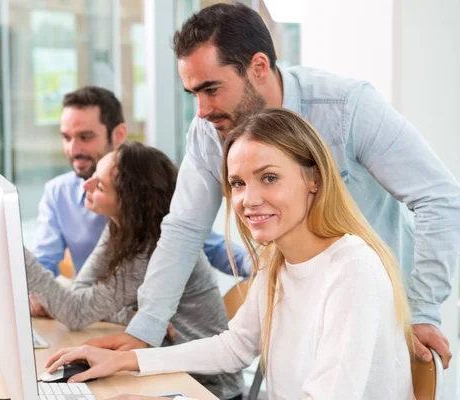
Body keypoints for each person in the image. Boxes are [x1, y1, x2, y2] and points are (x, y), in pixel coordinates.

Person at [89, 3, 460, 368]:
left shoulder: (345, 107)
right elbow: (184, 229)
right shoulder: (208, 130)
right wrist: (145, 332)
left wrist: (423, 310)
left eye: (212, 89)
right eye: (193, 94)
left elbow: (439, 198)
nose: (201, 110)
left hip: (383, 315)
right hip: (299, 316)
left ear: (259, 67)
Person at [44, 109, 415, 400]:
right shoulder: (277, 262)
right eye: (238, 183)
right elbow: (235, 346)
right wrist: (124, 360)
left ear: (313, 179)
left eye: (269, 177)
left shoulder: (352, 270)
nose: (248, 200)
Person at [25, 142, 243, 400]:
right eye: (94, 175)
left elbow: (75, 312)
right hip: (164, 367)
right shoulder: (120, 228)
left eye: (100, 185)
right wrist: (128, 313)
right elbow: (82, 291)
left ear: (129, 204)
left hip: (203, 387)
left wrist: (20, 257)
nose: (86, 185)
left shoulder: (150, 251)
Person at [32, 86, 250, 277]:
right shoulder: (57, 193)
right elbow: (43, 263)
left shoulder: (151, 185)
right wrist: (35, 296)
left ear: (118, 135)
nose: (73, 149)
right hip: (98, 320)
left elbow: (210, 246)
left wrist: (260, 269)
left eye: (85, 137)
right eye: (66, 137)